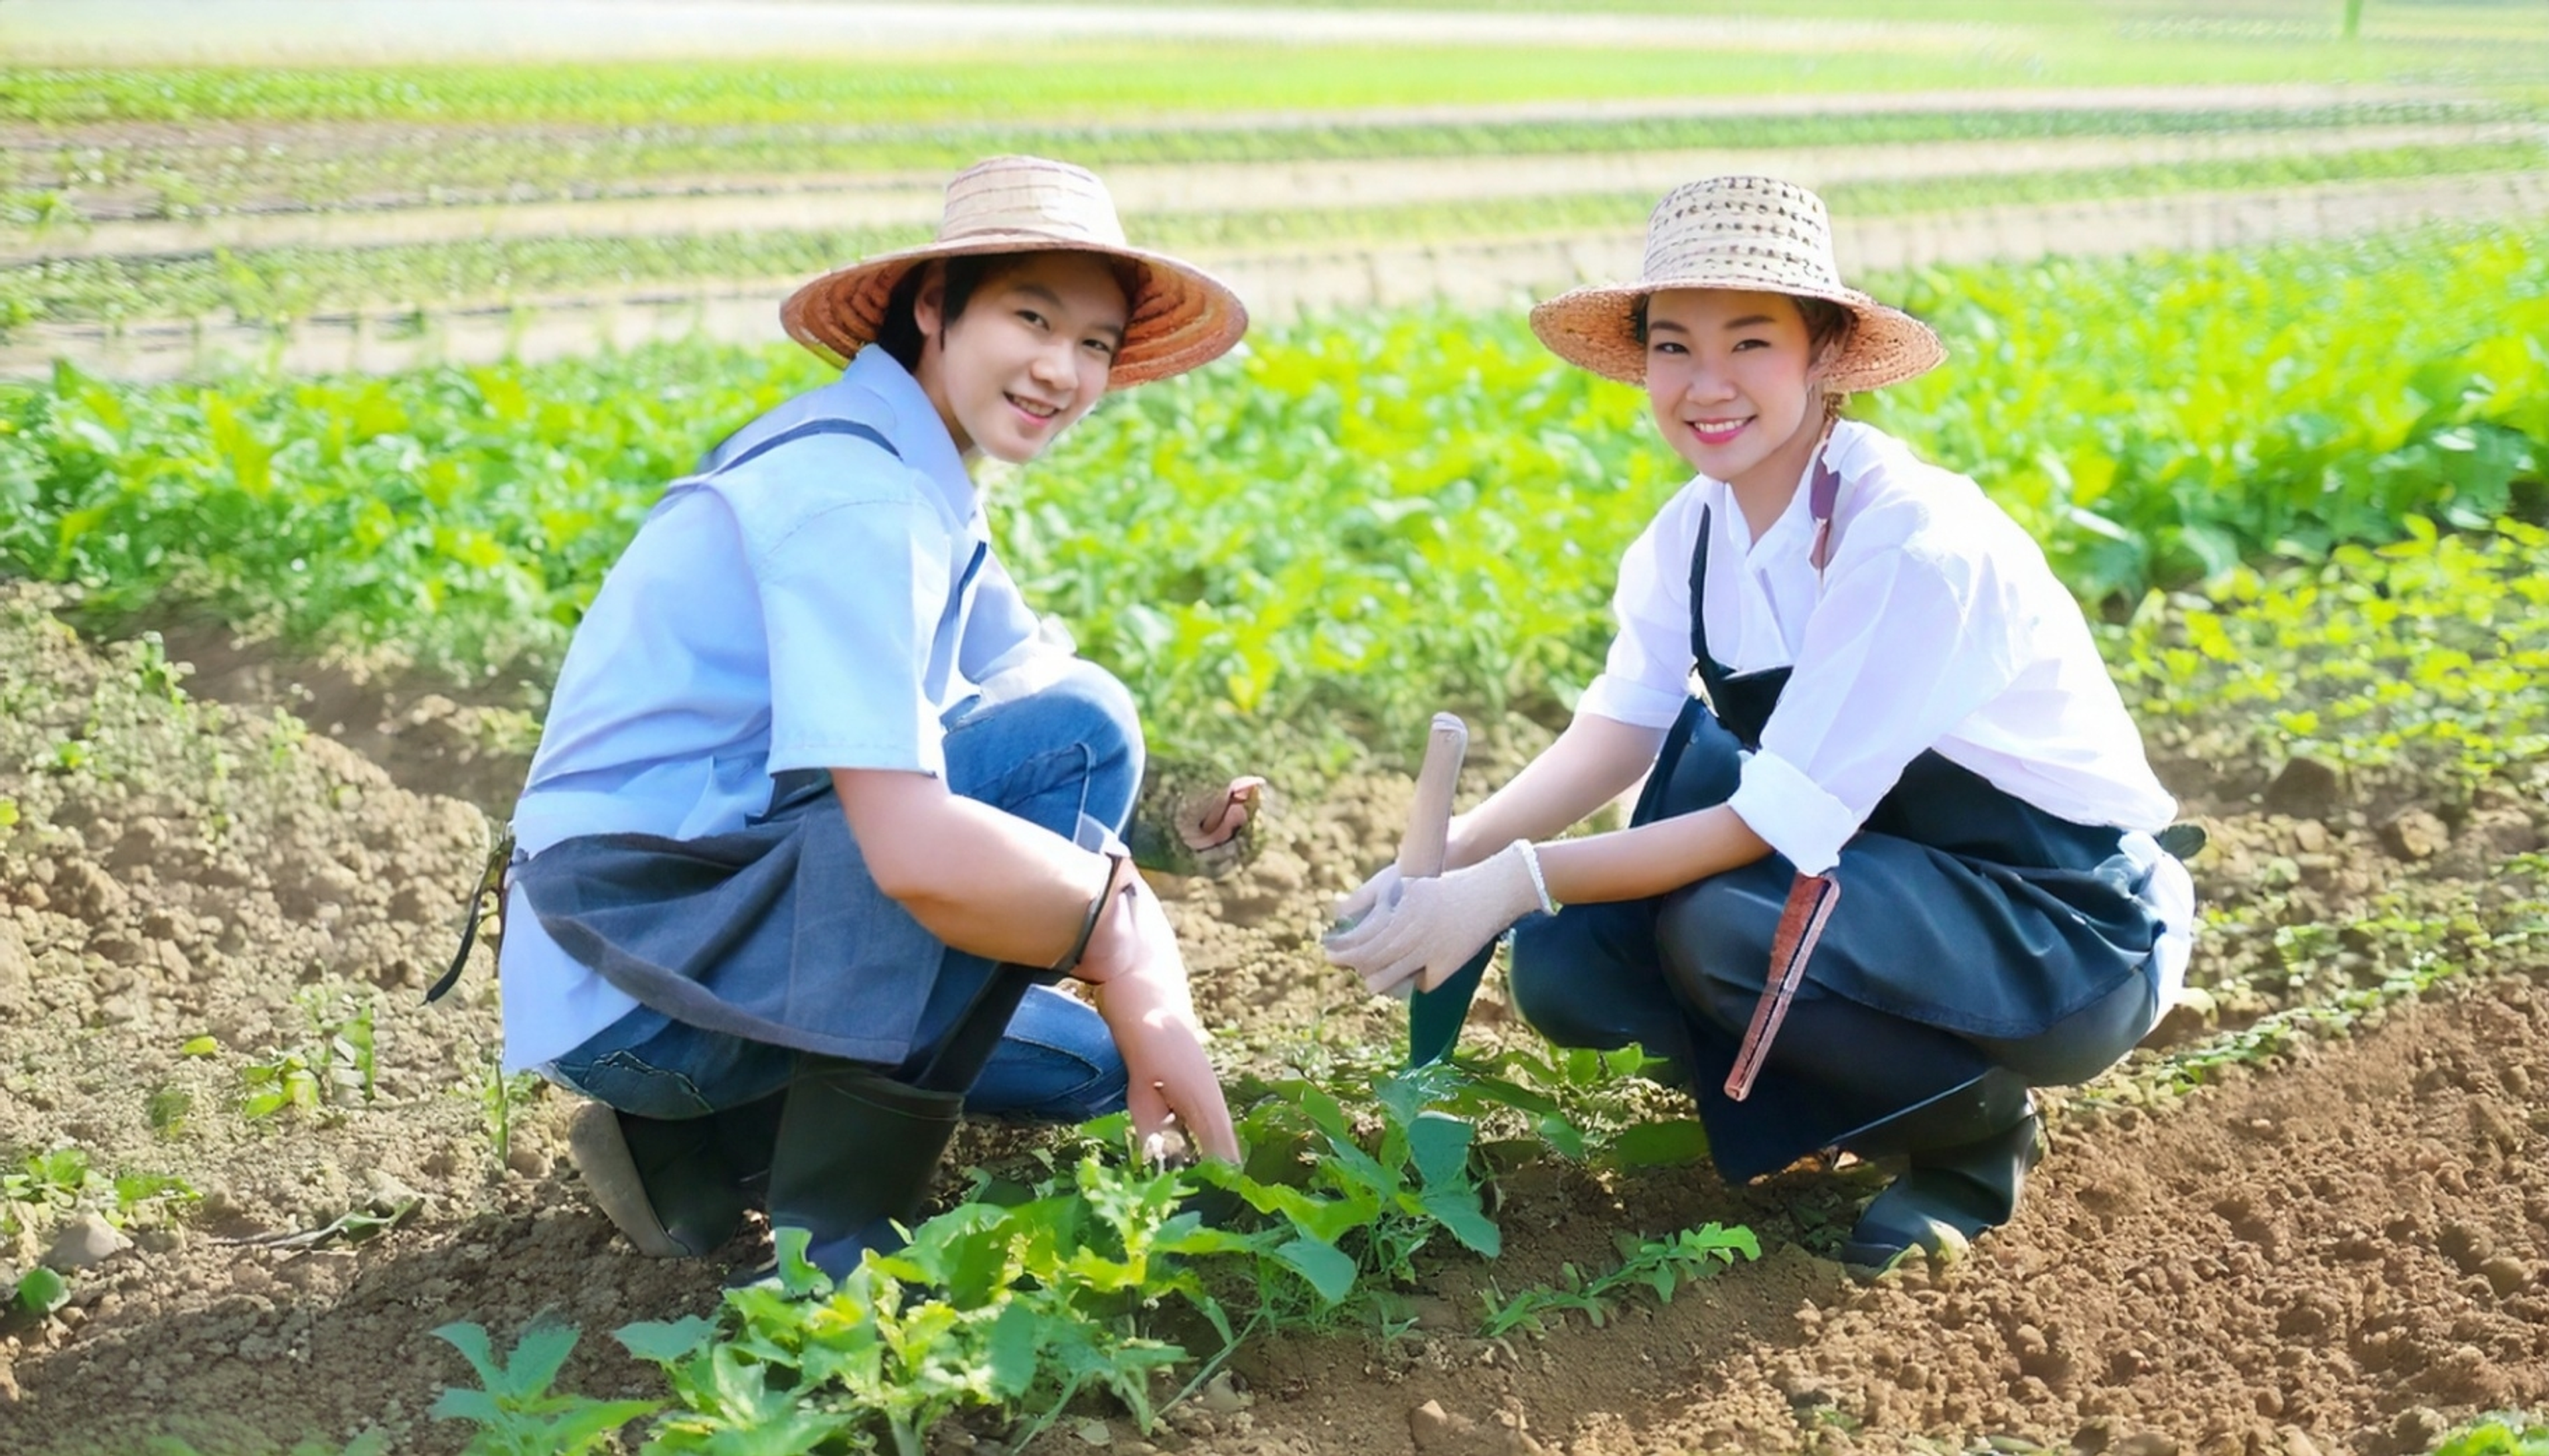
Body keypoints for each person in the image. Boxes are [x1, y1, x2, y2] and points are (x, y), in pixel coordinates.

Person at [1325, 175, 2195, 1275]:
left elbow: (1767, 819)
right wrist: (1452, 863)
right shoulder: (1691, 536)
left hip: (2062, 924)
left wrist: (1515, 878)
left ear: (1824, 353)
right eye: (1675, 348)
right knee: (1569, 963)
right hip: (1885, 884)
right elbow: (1618, 731)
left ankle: (1975, 1139)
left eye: (1750, 344)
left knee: (1727, 933)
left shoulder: (1910, 545)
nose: (1708, 385)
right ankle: (1837, 1098)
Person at [489, 156, 1248, 1279]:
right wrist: (1121, 934)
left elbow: (1026, 672)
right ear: (934, 309)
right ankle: (835, 1252)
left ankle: (680, 1146)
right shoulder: (864, 501)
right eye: (1031, 316)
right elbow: (938, 829)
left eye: (1094, 341)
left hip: (681, 933)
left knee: (1084, 1068)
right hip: (643, 963)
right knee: (1083, 738)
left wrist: (1158, 834)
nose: (1063, 368)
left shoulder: (903, 464)